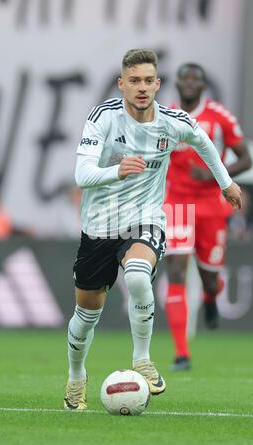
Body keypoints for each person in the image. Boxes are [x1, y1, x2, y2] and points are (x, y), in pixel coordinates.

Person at [64, 50, 242, 410]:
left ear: (158, 84)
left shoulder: (172, 121)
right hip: (100, 224)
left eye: (148, 80)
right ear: (122, 84)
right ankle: (76, 377)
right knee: (85, 317)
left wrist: (225, 183)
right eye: (134, 81)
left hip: (146, 219)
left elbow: (203, 142)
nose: (142, 87)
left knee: (138, 276)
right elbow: (82, 176)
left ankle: (142, 358)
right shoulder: (103, 118)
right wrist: (117, 170)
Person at [164, 63, 252, 371]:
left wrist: (219, 175)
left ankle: (211, 298)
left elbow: (246, 158)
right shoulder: (166, 116)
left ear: (203, 86)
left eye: (195, 80)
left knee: (210, 279)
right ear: (176, 84)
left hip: (212, 207)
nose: (189, 84)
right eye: (184, 78)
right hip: (176, 203)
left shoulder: (219, 116)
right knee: (176, 270)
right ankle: (181, 353)